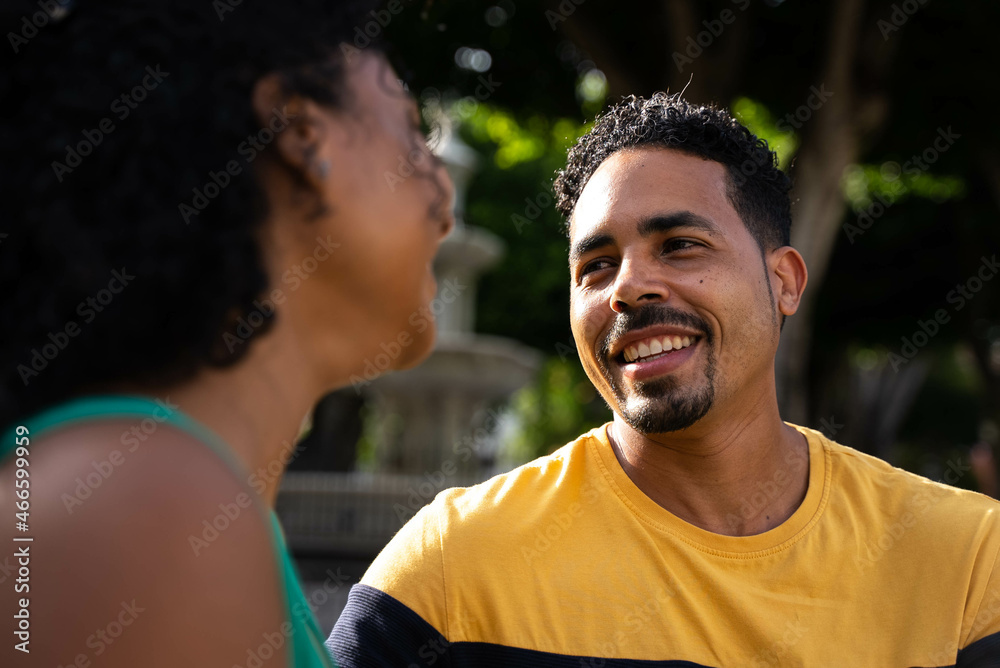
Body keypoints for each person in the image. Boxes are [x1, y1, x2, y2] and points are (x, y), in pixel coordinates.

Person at [328, 92, 1000, 666]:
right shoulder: (453, 566)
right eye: (595, 265)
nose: (627, 287)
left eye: (679, 246)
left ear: (784, 281)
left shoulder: (967, 561)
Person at [0, 1, 453, 666]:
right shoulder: (151, 511)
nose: (442, 190)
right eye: (413, 136)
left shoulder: (177, 503)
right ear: (301, 134)